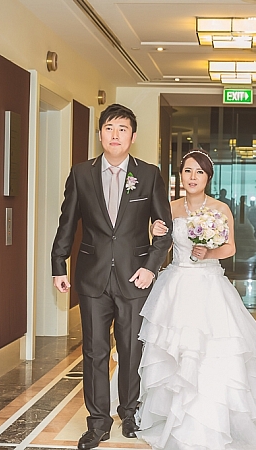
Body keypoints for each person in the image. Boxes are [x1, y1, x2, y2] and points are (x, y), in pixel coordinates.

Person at [135, 150, 256, 450]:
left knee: (215, 351)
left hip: (210, 285)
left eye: (199, 172)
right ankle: (173, 415)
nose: (193, 177)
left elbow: (230, 248)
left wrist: (209, 252)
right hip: (177, 285)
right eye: (187, 171)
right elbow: (161, 246)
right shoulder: (170, 207)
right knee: (174, 350)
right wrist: (153, 230)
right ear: (180, 175)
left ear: (208, 177)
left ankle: (215, 418)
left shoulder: (220, 208)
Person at [51, 104, 173, 450]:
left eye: (122, 129)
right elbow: (67, 222)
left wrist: (150, 266)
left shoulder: (148, 174)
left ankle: (129, 414)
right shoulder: (81, 173)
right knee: (94, 351)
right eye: (109, 128)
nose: (115, 135)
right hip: (92, 277)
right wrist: (58, 264)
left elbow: (164, 228)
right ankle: (98, 423)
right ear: (100, 134)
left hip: (135, 278)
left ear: (132, 136)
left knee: (132, 349)